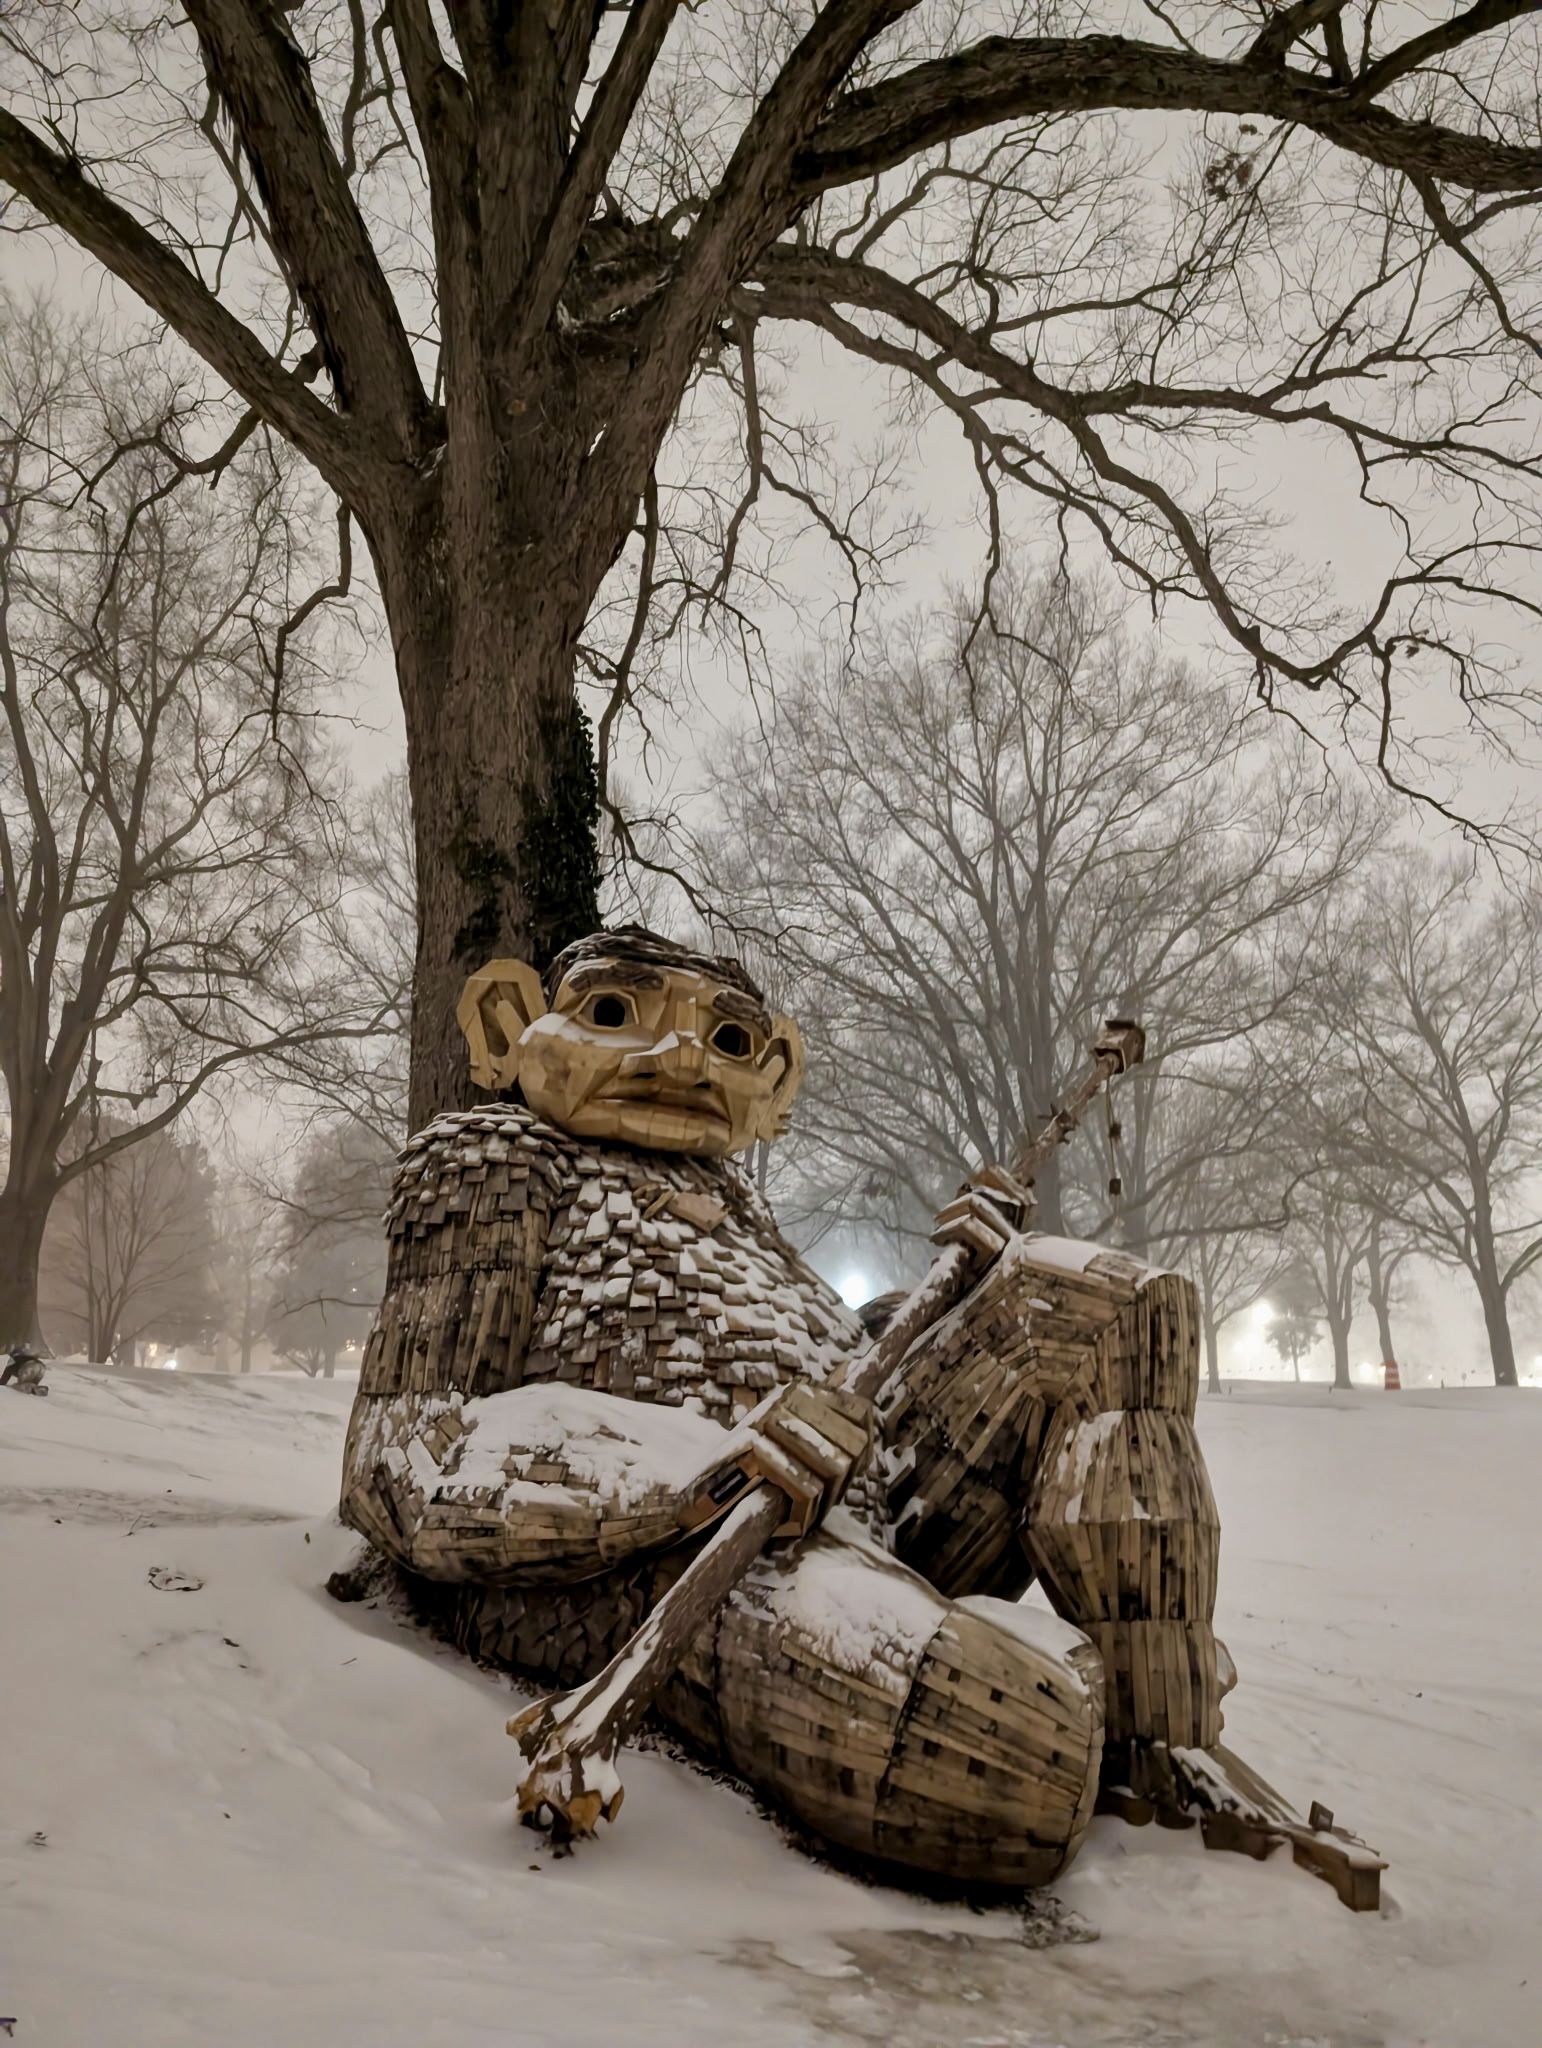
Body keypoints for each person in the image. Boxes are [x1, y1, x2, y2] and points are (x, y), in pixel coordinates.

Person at [338, 927, 1229, 1888]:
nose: (680, 1056)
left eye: (725, 1043)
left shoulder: (737, 1203)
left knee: (1113, 1307)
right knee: (1021, 1747)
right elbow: (402, 1456)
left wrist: (967, 1295)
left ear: (773, 1080)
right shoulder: (495, 1159)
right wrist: (692, 1479)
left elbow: (830, 1359)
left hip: (861, 1500)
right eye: (612, 1015)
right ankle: (1072, 1709)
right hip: (672, 1566)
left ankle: (1158, 1733)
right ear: (512, 1024)